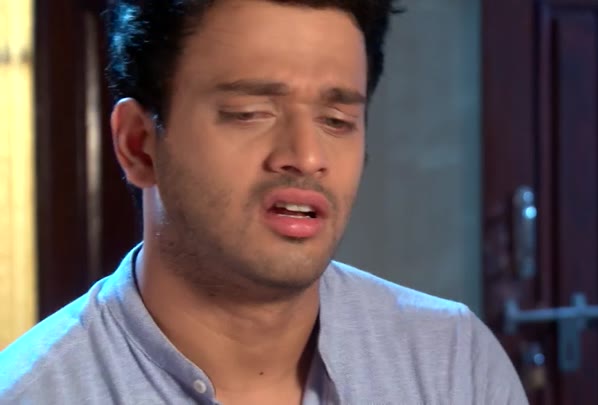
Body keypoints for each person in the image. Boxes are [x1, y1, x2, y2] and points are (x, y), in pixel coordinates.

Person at [0, 0, 527, 403]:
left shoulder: (451, 364)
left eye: (337, 120)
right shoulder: (35, 391)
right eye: (250, 113)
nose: (306, 156)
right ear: (139, 145)